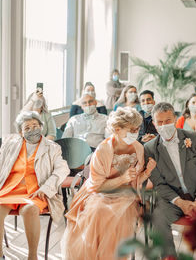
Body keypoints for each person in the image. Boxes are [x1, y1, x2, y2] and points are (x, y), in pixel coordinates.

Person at [62, 107, 156, 260]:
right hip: (99, 191)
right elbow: (97, 186)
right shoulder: (103, 150)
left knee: (118, 215)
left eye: (138, 128)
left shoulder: (139, 148)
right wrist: (122, 179)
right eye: (132, 129)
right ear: (117, 129)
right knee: (98, 211)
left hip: (127, 193)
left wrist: (147, 172)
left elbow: (135, 180)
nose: (136, 132)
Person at [0, 111, 69, 259]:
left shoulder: (52, 147)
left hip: (36, 191)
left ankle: (32, 256)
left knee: (30, 210)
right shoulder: (11, 146)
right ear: (20, 132)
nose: (32, 130)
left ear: (41, 126)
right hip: (9, 190)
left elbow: (62, 169)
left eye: (35, 125)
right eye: (27, 128)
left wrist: (46, 188)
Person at [144, 102, 196, 258]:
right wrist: (180, 203)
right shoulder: (149, 148)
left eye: (167, 121)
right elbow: (159, 184)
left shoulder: (195, 138)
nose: (164, 125)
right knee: (158, 218)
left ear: (175, 118)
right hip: (175, 199)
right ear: (154, 124)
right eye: (159, 122)